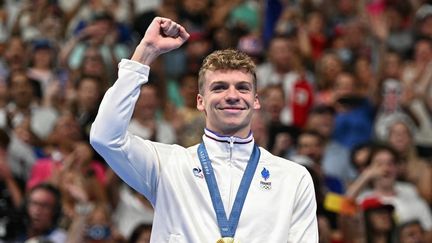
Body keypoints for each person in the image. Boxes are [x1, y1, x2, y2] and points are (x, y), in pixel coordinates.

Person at [90, 17, 318, 242]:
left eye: (242, 88)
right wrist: (144, 53)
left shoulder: (293, 178)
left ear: (256, 100)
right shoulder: (167, 165)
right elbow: (105, 137)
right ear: (200, 101)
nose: (232, 96)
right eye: (219, 88)